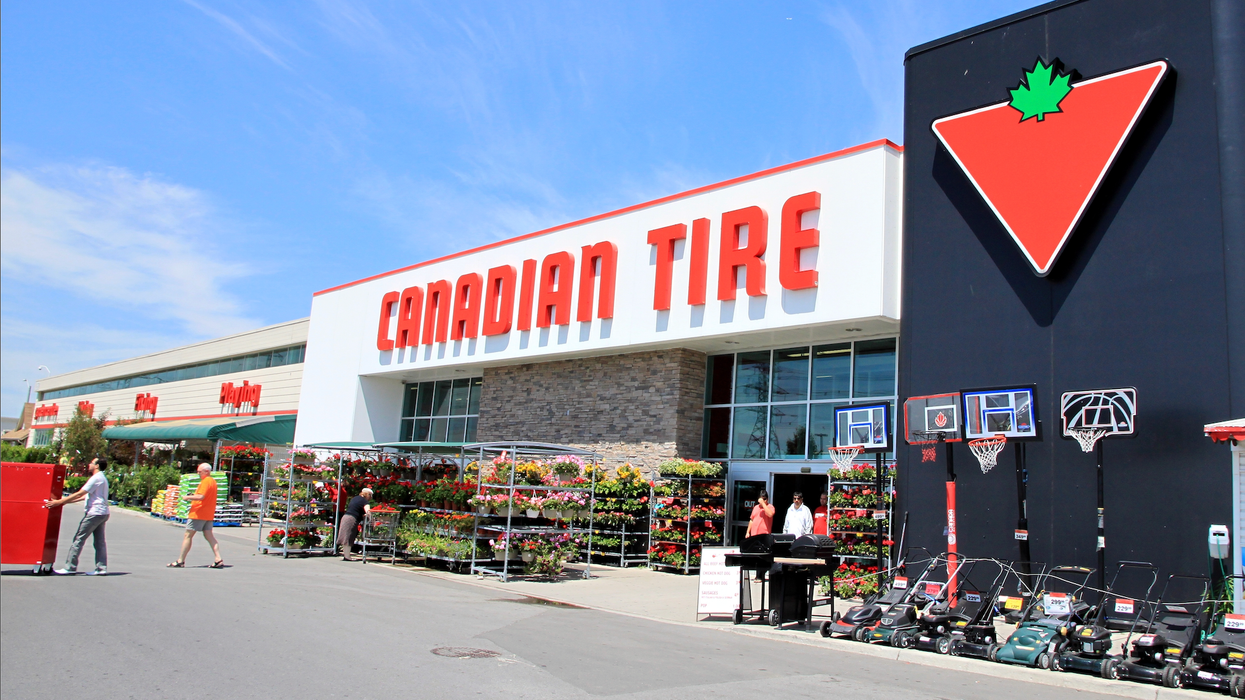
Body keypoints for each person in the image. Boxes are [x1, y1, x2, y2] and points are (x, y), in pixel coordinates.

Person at [45, 457, 110, 576]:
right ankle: (101, 568)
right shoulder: (102, 478)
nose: (89, 464)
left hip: (94, 513)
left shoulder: (96, 478)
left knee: (78, 539)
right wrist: (64, 502)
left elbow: (80, 493)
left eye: (91, 462)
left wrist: (59, 502)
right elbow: (84, 497)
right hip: (102, 512)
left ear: (96, 466)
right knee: (99, 542)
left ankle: (70, 567)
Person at [168, 463, 223, 568]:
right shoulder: (213, 482)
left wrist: (188, 498)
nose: (198, 474)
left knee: (188, 535)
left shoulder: (206, 481)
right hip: (208, 513)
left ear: (206, 471)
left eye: (200, 472)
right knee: (209, 536)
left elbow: (201, 496)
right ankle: (218, 558)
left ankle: (180, 560)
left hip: (198, 513)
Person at [338, 487, 372, 561]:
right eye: (370, 496)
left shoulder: (355, 498)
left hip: (345, 517)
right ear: (368, 495)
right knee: (349, 536)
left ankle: (346, 555)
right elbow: (368, 511)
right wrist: (372, 519)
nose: (371, 498)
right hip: (352, 519)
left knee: (345, 537)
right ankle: (347, 556)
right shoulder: (364, 501)